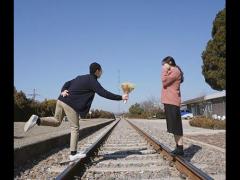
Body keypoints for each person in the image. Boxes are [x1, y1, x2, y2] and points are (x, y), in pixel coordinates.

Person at [24, 62, 128, 161]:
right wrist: (121, 97)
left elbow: (67, 83)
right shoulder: (93, 81)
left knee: (56, 121)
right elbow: (104, 93)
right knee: (75, 127)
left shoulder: (80, 77)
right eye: (101, 71)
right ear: (97, 71)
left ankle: (37, 120)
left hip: (61, 100)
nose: (102, 72)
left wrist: (63, 90)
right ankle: (73, 154)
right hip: (70, 104)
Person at [161, 56, 184, 156]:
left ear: (170, 62)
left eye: (164, 64)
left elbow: (164, 82)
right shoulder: (172, 71)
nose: (163, 66)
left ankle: (180, 148)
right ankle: (178, 147)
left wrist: (164, 70)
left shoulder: (175, 71)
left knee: (176, 126)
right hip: (169, 101)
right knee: (173, 126)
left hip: (172, 101)